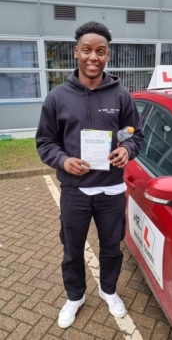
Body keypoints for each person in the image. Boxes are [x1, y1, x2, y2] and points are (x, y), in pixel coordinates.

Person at [35, 21, 144, 328]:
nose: (93, 57)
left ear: (107, 55)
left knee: (112, 247)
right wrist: (62, 160)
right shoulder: (58, 97)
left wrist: (127, 150)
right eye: (87, 50)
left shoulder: (121, 96)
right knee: (72, 248)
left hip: (111, 191)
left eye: (100, 51)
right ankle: (75, 296)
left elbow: (134, 134)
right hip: (75, 191)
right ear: (76, 53)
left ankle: (109, 291)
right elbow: (45, 141)